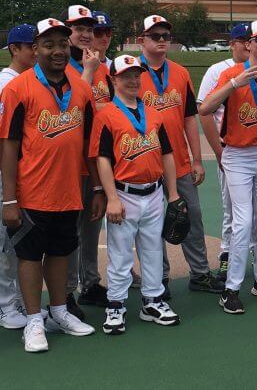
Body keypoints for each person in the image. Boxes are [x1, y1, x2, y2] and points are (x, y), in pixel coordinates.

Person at [0, 18, 98, 352]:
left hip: (68, 190)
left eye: (61, 44)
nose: (57, 51)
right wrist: (9, 198)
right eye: (48, 45)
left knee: (60, 252)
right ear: (36, 49)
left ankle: (58, 312)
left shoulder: (82, 88)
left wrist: (97, 188)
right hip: (31, 192)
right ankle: (33, 321)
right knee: (29, 256)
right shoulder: (19, 88)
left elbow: (90, 146)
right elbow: (9, 145)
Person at [200, 19, 257, 314]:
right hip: (238, 155)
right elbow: (204, 109)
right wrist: (233, 85)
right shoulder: (230, 73)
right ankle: (231, 288)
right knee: (242, 222)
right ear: (248, 44)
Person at [91, 55, 182, 334]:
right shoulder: (106, 114)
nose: (132, 80)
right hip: (124, 193)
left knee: (153, 248)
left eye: (136, 75)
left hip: (154, 192)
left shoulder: (154, 112)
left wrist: (174, 193)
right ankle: (115, 305)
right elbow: (102, 159)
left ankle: (152, 301)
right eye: (126, 75)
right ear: (113, 80)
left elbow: (166, 153)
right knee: (120, 254)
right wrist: (112, 198)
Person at [135, 15, 219, 297]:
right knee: (152, 223)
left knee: (191, 216)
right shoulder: (129, 73)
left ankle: (200, 273)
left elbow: (189, 119)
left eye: (165, 36)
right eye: (155, 36)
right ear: (141, 40)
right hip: (145, 162)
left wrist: (197, 158)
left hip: (180, 162)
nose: (161, 41)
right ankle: (159, 278)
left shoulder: (180, 73)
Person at [0, 24, 35, 329]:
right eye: (30, 46)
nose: (34, 51)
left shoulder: (24, 80)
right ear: (14, 49)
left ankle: (13, 299)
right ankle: (1, 306)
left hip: (15, 170)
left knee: (18, 238)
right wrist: (8, 177)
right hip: (3, 168)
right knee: (4, 238)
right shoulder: (5, 83)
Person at [59, 4, 108, 318]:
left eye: (89, 29)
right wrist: (88, 72)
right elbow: (72, 109)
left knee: (92, 226)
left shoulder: (103, 66)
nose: (85, 34)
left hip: (97, 159)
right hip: (70, 164)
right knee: (69, 232)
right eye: (79, 29)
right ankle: (66, 292)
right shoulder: (60, 67)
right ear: (68, 33)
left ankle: (90, 283)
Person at [198, 23, 255, 284]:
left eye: (249, 39)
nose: (246, 44)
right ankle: (226, 256)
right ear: (231, 44)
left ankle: (256, 253)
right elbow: (205, 113)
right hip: (231, 150)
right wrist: (219, 153)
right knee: (232, 209)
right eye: (241, 39)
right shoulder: (217, 70)